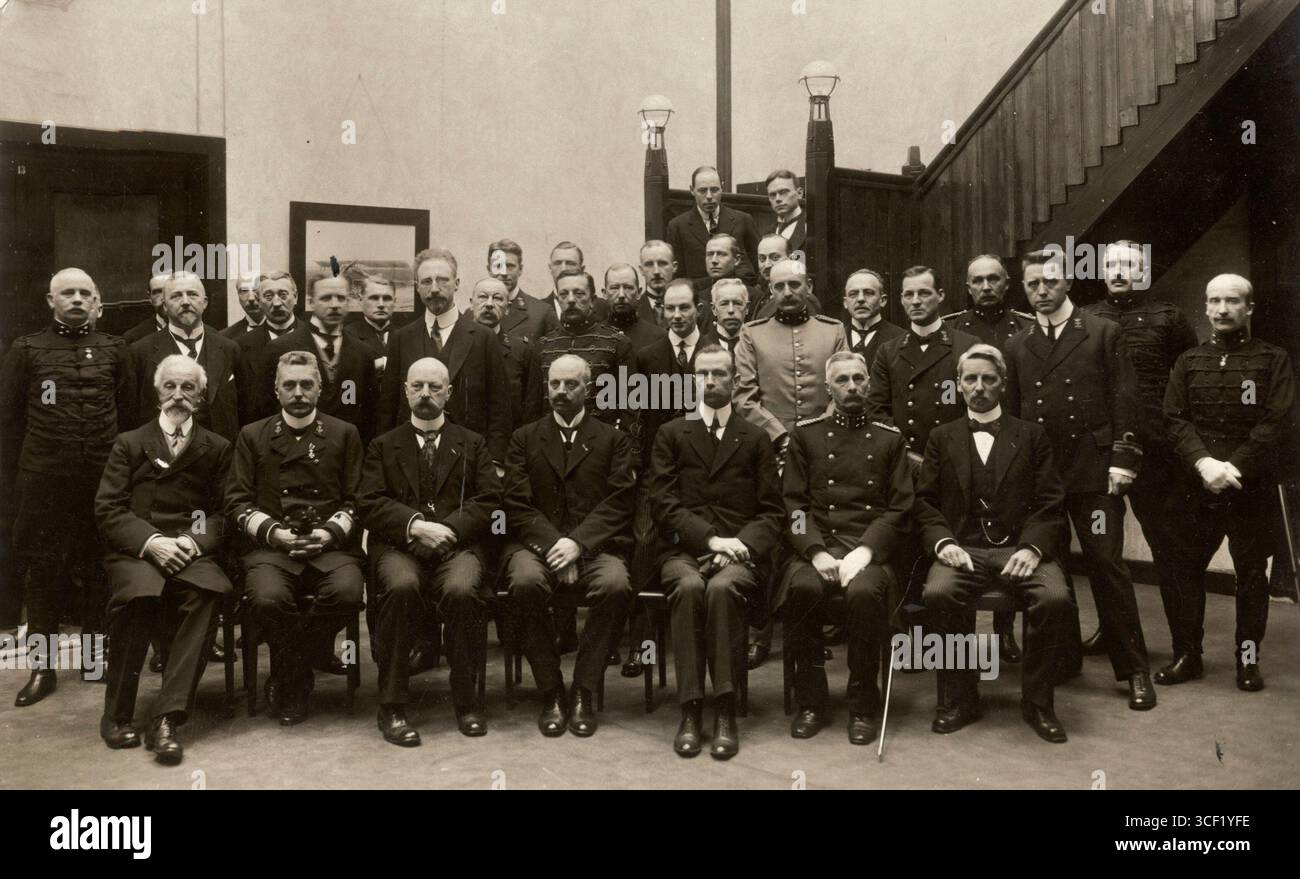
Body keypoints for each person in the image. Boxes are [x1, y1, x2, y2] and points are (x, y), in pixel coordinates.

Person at [1004, 249, 1154, 710]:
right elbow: (1012, 414)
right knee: (1053, 567)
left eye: (1050, 282)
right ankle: (1063, 658)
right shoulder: (1018, 343)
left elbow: (1126, 397)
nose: (1041, 291)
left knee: (1106, 566)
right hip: (1042, 475)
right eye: (1032, 284)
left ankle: (1134, 671)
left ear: (1068, 282)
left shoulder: (1102, 331)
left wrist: (1123, 458)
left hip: (1093, 471)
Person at [916, 344, 1073, 742]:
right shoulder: (941, 437)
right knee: (938, 593)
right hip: (961, 547)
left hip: (1019, 547)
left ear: (1003, 384)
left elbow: (1051, 501)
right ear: (958, 385)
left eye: (989, 379)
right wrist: (943, 543)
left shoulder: (1032, 435)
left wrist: (1031, 548)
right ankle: (961, 697)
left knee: (1054, 598)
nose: (979, 387)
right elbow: (926, 503)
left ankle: (1038, 702)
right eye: (970, 379)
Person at [0, 268, 134, 707]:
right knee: (44, 572)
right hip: (44, 482)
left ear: (96, 300)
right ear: (50, 300)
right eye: (67, 293)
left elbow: (130, 414)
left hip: (101, 480)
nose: (76, 299)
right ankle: (42, 668)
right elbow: (10, 420)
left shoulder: (116, 349)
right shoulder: (27, 349)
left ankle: (96, 658)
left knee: (98, 567)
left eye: (84, 293)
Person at [95, 355, 233, 763]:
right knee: (140, 598)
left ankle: (168, 718)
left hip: (190, 549)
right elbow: (109, 509)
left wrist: (191, 542)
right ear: (157, 393)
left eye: (188, 388)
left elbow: (226, 512)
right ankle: (117, 714)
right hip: (139, 551)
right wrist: (151, 541)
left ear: (201, 396)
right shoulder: (130, 443)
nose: (178, 395)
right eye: (170, 386)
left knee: (205, 595)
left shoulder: (218, 447)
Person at [1162, 273, 1295, 691]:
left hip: (1248, 487)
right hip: (1197, 485)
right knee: (1185, 569)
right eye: (1214, 301)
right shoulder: (1188, 361)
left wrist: (1232, 467)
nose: (1222, 309)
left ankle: (1248, 661)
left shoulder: (1274, 360)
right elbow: (1174, 418)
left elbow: (1276, 421)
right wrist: (1203, 464)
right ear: (1205, 307)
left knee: (1251, 574)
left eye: (1232, 301)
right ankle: (1188, 655)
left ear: (1249, 308)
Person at [649, 344, 782, 758]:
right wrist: (710, 540)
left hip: (738, 554)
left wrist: (740, 544)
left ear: (735, 379)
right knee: (689, 588)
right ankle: (690, 710)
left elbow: (773, 511)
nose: (711, 381)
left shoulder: (756, 437)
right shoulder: (671, 433)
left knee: (723, 591)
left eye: (720, 373)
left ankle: (724, 708)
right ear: (692, 380)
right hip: (682, 551)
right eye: (703, 374)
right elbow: (663, 503)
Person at [359, 357, 501, 746]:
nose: (425, 394)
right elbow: (369, 501)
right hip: (401, 546)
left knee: (460, 591)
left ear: (448, 393)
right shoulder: (383, 445)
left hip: (457, 546)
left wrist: (450, 530)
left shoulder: (472, 444)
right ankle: (392, 706)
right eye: (417, 386)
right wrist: (415, 526)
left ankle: (466, 700)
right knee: (402, 587)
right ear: (405, 391)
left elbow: (490, 499)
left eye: (434, 387)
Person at [779, 351, 913, 743]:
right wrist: (816, 551)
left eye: (858, 379)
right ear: (828, 388)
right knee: (802, 589)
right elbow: (794, 506)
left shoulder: (890, 440)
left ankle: (863, 703)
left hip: (869, 548)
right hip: (819, 545)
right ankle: (811, 701)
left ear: (869, 384)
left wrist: (866, 551)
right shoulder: (805, 436)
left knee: (865, 593)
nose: (852, 387)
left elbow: (900, 507)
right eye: (843, 380)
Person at [226, 351, 365, 725]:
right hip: (273, 549)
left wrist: (326, 533)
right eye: (290, 385)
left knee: (349, 593)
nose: (299, 392)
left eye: (307, 384)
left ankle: (290, 670)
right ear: (276, 390)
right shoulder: (252, 436)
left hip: (330, 547)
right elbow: (237, 501)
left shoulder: (344, 433)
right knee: (268, 598)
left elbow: (357, 499)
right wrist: (276, 534)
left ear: (320, 388)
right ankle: (299, 674)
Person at [502, 355, 635, 737]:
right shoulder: (523, 438)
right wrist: (554, 545)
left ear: (588, 389)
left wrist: (577, 544)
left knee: (615, 585)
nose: (560, 391)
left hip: (595, 547)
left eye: (570, 384)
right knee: (524, 583)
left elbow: (620, 501)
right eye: (554, 384)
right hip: (536, 546)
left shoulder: (613, 439)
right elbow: (515, 502)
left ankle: (583, 690)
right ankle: (551, 690)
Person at [1081, 241, 1197, 658]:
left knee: (1168, 547)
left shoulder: (1170, 318)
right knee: (1102, 550)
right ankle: (1112, 632)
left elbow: (1189, 381)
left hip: (1157, 452)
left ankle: (1187, 646)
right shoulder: (1087, 318)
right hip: (1101, 452)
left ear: (1143, 271)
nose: (1118, 271)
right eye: (1110, 264)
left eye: (1128, 264)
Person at [734, 257, 847, 668]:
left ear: (808, 284)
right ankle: (759, 631)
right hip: (769, 454)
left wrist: (810, 439)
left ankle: (811, 630)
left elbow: (840, 389)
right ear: (769, 288)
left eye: (794, 285)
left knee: (811, 537)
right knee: (767, 540)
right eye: (778, 286)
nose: (786, 292)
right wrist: (782, 437)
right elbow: (744, 397)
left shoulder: (833, 331)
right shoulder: (752, 334)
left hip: (821, 453)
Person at [942, 254, 1035, 661]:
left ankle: (1006, 632)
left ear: (1007, 282)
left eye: (993, 279)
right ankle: (957, 649)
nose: (985, 287)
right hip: (966, 437)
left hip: (1013, 437)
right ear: (967, 285)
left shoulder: (1026, 328)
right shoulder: (952, 329)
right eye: (977, 280)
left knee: (1011, 530)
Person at [378, 248, 511, 464]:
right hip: (411, 457)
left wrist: (495, 461)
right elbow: (388, 406)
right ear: (416, 286)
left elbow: (499, 408)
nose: (434, 289)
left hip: (470, 458)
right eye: (426, 281)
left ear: (457, 283)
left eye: (442, 280)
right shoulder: (402, 338)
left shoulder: (483, 338)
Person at [867, 265, 978, 467]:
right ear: (901, 300)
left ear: (940, 295)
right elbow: (876, 409)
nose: (916, 301)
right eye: (909, 295)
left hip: (954, 458)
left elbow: (975, 406)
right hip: (903, 460)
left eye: (924, 293)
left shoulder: (967, 346)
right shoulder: (888, 351)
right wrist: (903, 451)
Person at [256, 271, 378, 444]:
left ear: (349, 302)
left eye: (341, 298)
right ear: (311, 302)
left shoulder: (363, 353)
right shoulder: (279, 349)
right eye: (326, 298)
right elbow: (264, 413)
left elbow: (370, 417)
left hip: (344, 455)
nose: (334, 305)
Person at [130, 271, 241, 440]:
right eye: (176, 296)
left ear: (204, 303)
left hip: (219, 457)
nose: (186, 302)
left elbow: (244, 410)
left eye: (192, 294)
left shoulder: (229, 348)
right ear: (165, 306)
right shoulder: (140, 352)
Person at [666, 166, 759, 285]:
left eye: (714, 190)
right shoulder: (677, 226)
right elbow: (677, 275)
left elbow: (757, 264)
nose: (709, 196)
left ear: (722, 188)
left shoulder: (743, 220)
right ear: (692, 190)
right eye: (702, 191)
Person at [469, 277, 542, 429]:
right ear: (471, 303)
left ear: (507, 308)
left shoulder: (523, 350)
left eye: (497, 298)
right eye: (483, 297)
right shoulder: (457, 345)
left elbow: (532, 408)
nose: (489, 304)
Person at [488, 238, 551, 343]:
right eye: (498, 266)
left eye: (510, 266)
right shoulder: (472, 314)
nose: (504, 273)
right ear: (489, 270)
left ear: (520, 269)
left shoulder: (541, 312)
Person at [841, 268, 903, 374]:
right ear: (845, 303)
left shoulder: (901, 339)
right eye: (853, 294)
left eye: (869, 293)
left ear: (882, 300)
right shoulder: (836, 338)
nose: (860, 299)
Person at [538, 241, 609, 331]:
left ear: (582, 269)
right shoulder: (538, 309)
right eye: (558, 263)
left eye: (570, 263)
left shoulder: (602, 307)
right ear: (550, 268)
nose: (563, 268)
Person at [750, 234, 820, 320]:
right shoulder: (762, 293)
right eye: (762, 259)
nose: (767, 265)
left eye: (775, 258)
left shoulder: (801, 298)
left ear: (791, 258)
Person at [604, 263, 667, 349]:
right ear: (604, 293)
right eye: (614, 288)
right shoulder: (594, 337)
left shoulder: (659, 337)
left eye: (628, 288)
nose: (621, 295)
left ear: (639, 293)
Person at [761, 169, 808, 258]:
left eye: (783, 192)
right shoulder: (767, 232)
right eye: (772, 195)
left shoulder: (812, 227)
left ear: (799, 193)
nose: (778, 199)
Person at [638, 239, 678, 327]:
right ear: (641, 270)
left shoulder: (694, 308)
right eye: (649, 264)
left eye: (662, 263)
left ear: (674, 267)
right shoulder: (633, 310)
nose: (656, 272)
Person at [121, 274, 170, 342]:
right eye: (157, 292)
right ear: (149, 298)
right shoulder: (134, 338)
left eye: (170, 290)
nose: (164, 298)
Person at [222, 273, 266, 338]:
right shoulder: (225, 337)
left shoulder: (284, 333)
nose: (251, 298)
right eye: (244, 291)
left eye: (256, 289)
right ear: (238, 296)